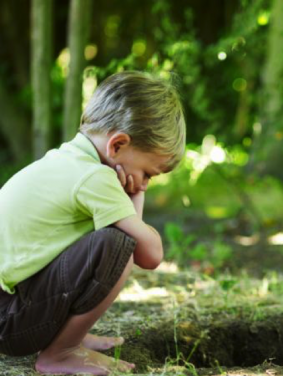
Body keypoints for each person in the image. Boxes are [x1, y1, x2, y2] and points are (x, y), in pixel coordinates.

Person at [0, 71, 186, 375]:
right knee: (117, 245)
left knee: (107, 237)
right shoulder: (94, 177)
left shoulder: (65, 160)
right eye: (149, 174)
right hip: (8, 321)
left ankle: (67, 337)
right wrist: (135, 194)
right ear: (117, 146)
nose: (145, 183)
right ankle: (61, 352)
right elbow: (149, 254)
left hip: (8, 310)